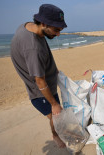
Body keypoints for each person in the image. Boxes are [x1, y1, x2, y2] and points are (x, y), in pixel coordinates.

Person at [11, 4, 67, 148]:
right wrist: (54, 104)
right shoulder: (33, 48)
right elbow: (40, 81)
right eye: (56, 30)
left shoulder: (28, 26)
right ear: (43, 23)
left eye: (60, 30)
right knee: (56, 116)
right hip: (41, 92)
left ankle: (58, 131)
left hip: (47, 80)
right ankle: (55, 136)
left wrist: (54, 69)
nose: (58, 34)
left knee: (57, 114)